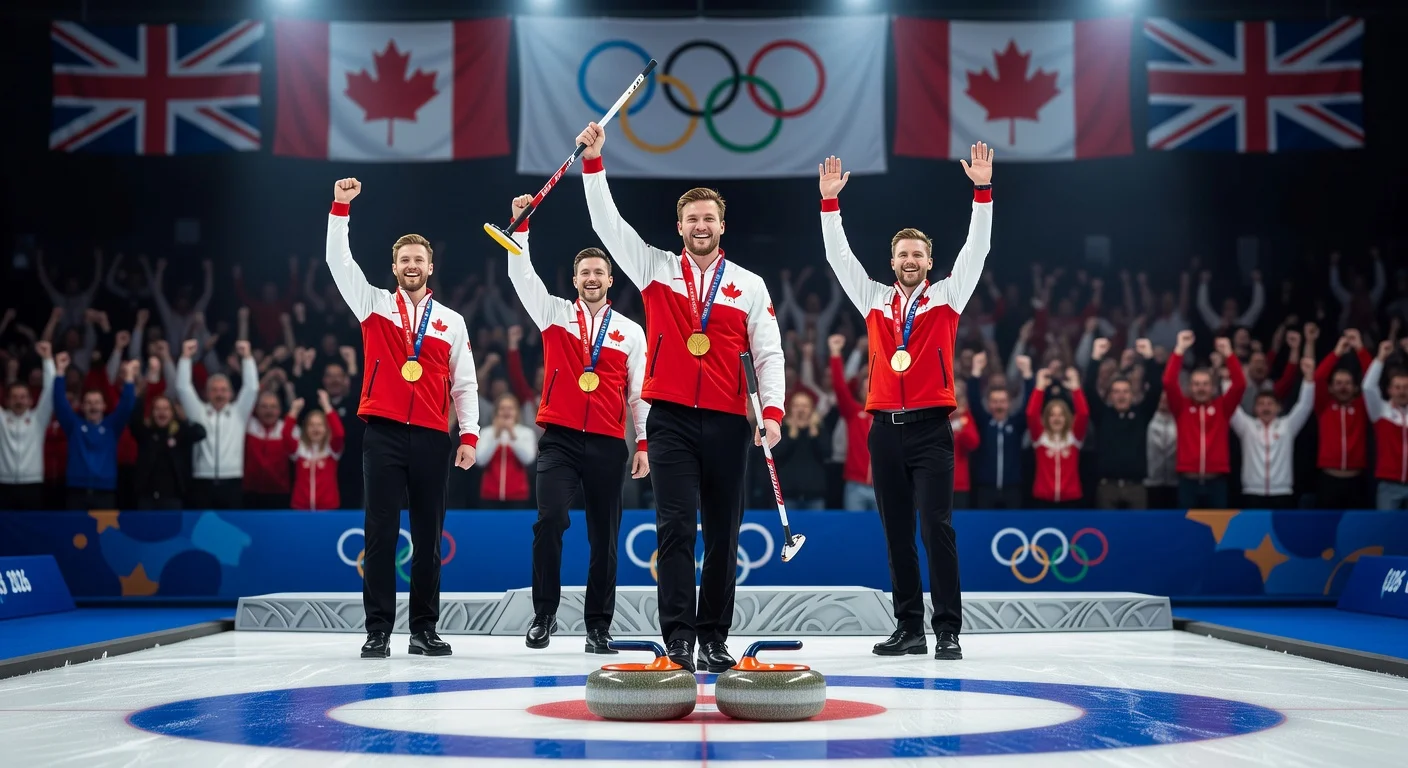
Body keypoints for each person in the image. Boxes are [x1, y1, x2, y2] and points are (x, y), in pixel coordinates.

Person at [578, 122, 786, 673]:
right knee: (675, 529)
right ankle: (678, 640)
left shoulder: (749, 284)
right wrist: (594, 165)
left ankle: (715, 636)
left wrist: (772, 412)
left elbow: (769, 353)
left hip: (726, 422)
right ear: (679, 226)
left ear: (722, 226)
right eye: (692, 219)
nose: (700, 226)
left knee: (723, 533)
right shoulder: (655, 270)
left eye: (708, 218)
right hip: (668, 417)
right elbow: (608, 224)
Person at [816, 145, 994, 660]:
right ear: (892, 262)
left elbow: (977, 250)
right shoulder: (873, 298)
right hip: (884, 431)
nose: (910, 261)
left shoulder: (947, 297)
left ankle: (948, 631)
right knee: (896, 533)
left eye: (918, 254)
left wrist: (982, 193)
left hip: (933, 428)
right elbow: (837, 259)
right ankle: (909, 629)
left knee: (936, 529)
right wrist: (830, 204)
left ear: (930, 263)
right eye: (903, 255)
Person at [327, 178, 480, 659]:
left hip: (434, 437)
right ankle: (377, 631)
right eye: (404, 260)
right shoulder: (373, 305)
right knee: (379, 535)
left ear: (430, 267)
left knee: (429, 538)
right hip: (384, 434)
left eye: (419, 260)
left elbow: (465, 384)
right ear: (393, 268)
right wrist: (340, 208)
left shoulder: (451, 320)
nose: (412, 266)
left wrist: (469, 435)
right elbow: (337, 261)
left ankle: (423, 630)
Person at [503, 196, 650, 652]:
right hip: (560, 441)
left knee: (604, 538)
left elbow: (638, 393)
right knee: (549, 522)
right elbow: (519, 275)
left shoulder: (630, 331)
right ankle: (543, 615)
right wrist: (521, 227)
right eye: (584, 272)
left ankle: (598, 628)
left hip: (608, 443)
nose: (591, 278)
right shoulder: (554, 315)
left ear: (611, 280)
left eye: (598, 273)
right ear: (574, 280)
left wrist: (643, 442)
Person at [1164, 331, 1246, 508]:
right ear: (1189, 387)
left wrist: (1229, 354)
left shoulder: (1222, 408)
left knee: (1218, 533)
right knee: (1187, 531)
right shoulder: (1181, 408)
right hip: (1188, 481)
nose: (1201, 388)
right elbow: (1169, 382)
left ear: (1213, 387)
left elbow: (1240, 384)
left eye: (1205, 384)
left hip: (1216, 481)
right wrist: (1179, 350)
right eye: (1196, 384)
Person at [175, 339, 259, 509]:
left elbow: (252, 388)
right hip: (202, 480)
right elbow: (183, 388)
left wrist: (248, 358)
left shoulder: (238, 413)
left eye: (223, 390)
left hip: (232, 480)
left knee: (231, 531)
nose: (219, 394)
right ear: (206, 393)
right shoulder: (198, 412)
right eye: (214, 390)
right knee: (202, 532)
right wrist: (185, 358)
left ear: (230, 393)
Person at [1084, 337, 1162, 508]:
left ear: (1132, 394)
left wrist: (1149, 357)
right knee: (1107, 534)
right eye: (1117, 392)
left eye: (1125, 392)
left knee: (1138, 534)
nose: (1121, 395)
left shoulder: (1141, 414)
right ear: (1111, 395)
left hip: (1136, 486)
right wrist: (1096, 357)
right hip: (1107, 487)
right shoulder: (1102, 414)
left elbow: (1156, 388)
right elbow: (1089, 389)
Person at [53, 353, 138, 509]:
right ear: (82, 407)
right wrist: (59, 372)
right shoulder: (74, 426)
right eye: (89, 403)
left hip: (105, 491)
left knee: (104, 534)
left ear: (104, 406)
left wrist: (129, 377)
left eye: (97, 402)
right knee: (76, 533)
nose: (93, 406)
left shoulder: (112, 426)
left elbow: (127, 405)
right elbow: (60, 404)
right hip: (76, 490)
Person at [1230, 357, 1315, 507]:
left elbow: (1305, 406)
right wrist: (1227, 380)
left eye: (1270, 404)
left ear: (1278, 408)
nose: (1266, 408)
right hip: (1252, 492)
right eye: (1261, 404)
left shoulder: (1288, 426)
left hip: (1282, 492)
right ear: (1255, 409)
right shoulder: (1246, 427)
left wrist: (1308, 378)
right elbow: (1231, 408)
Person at [968, 351, 1033, 509]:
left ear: (1009, 403)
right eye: (995, 401)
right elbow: (974, 400)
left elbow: (1029, 406)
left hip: (1013, 488)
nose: (999, 405)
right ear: (989, 404)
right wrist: (976, 371)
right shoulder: (984, 424)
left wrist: (1028, 375)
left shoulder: (1016, 425)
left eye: (1003, 401)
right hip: (986, 488)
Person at [1, 342, 55, 510]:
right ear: (7, 401)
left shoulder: (38, 419)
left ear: (31, 401)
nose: (19, 401)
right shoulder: (1, 420)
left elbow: (50, 391)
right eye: (15, 397)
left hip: (32, 483)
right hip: (3, 483)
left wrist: (47, 359)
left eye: (23, 397)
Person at [130, 394, 206, 509]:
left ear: (173, 412)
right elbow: (133, 422)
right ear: (152, 413)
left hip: (173, 498)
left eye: (166, 409)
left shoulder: (180, 432)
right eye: (157, 409)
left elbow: (200, 433)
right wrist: (139, 397)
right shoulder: (146, 433)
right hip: (147, 497)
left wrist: (184, 419)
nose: (162, 412)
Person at [1028, 367, 1089, 507]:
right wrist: (1039, 387)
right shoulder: (1040, 438)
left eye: (1060, 415)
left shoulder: (1074, 438)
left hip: (1071, 499)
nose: (1057, 419)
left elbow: (1083, 414)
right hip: (1043, 499)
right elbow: (1031, 414)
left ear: (1067, 417)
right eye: (1052, 415)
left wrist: (1075, 387)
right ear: (1046, 418)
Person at [826, 334, 874, 510]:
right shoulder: (854, 412)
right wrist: (835, 353)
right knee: (854, 533)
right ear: (860, 391)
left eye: (873, 388)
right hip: (855, 485)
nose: (869, 392)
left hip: (883, 485)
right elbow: (840, 387)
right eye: (865, 388)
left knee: (883, 535)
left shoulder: (890, 416)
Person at [1362, 341, 1408, 509]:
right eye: (1397, 387)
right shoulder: (1380, 411)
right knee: (1387, 531)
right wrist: (1380, 357)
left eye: (1405, 387)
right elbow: (1368, 387)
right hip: (1389, 484)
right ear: (1389, 390)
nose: (1402, 391)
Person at [285, 390, 345, 511]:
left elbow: (339, 434)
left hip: (328, 508)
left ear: (327, 428)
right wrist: (294, 411)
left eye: (320, 425)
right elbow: (286, 435)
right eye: (311, 425)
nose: (315, 428)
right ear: (305, 429)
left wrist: (326, 406)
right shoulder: (299, 449)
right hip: (301, 508)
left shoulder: (332, 450)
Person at [475, 393, 536, 508]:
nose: (506, 412)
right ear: (496, 411)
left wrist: (512, 435)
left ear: (517, 411)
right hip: (490, 494)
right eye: (502, 408)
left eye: (510, 408)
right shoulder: (486, 433)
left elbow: (528, 459)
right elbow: (480, 460)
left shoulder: (526, 433)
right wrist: (496, 436)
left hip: (518, 495)